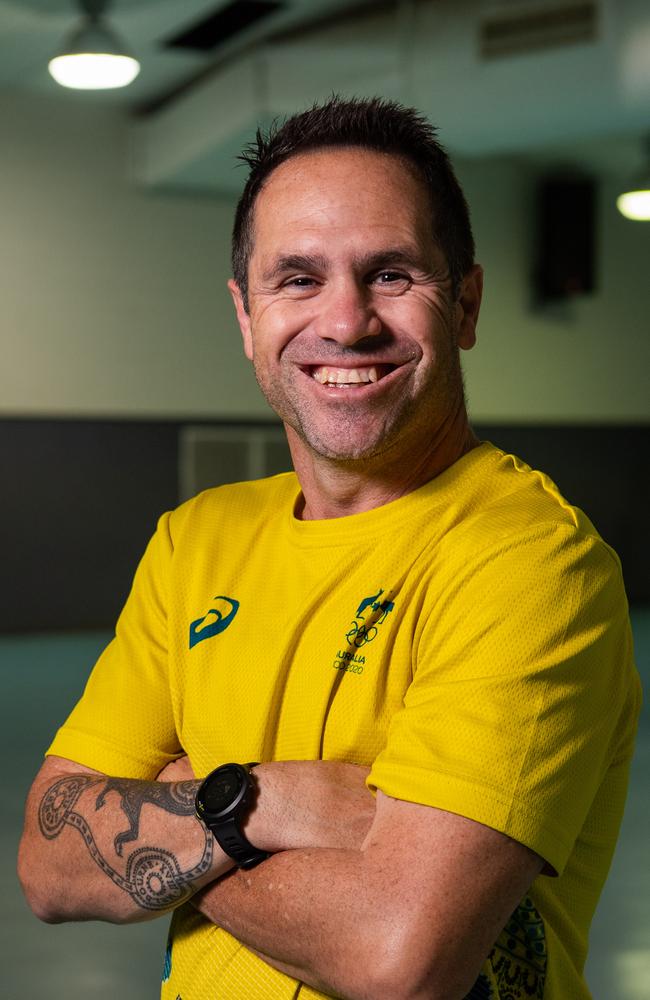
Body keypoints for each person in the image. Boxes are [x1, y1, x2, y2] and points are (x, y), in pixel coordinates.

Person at [18, 97, 640, 1000]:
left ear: (464, 303)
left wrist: (189, 811)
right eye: (297, 278)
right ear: (245, 314)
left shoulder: (532, 564)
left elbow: (399, 959)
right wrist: (262, 804)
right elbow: (48, 857)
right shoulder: (195, 541)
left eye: (391, 275)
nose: (345, 323)